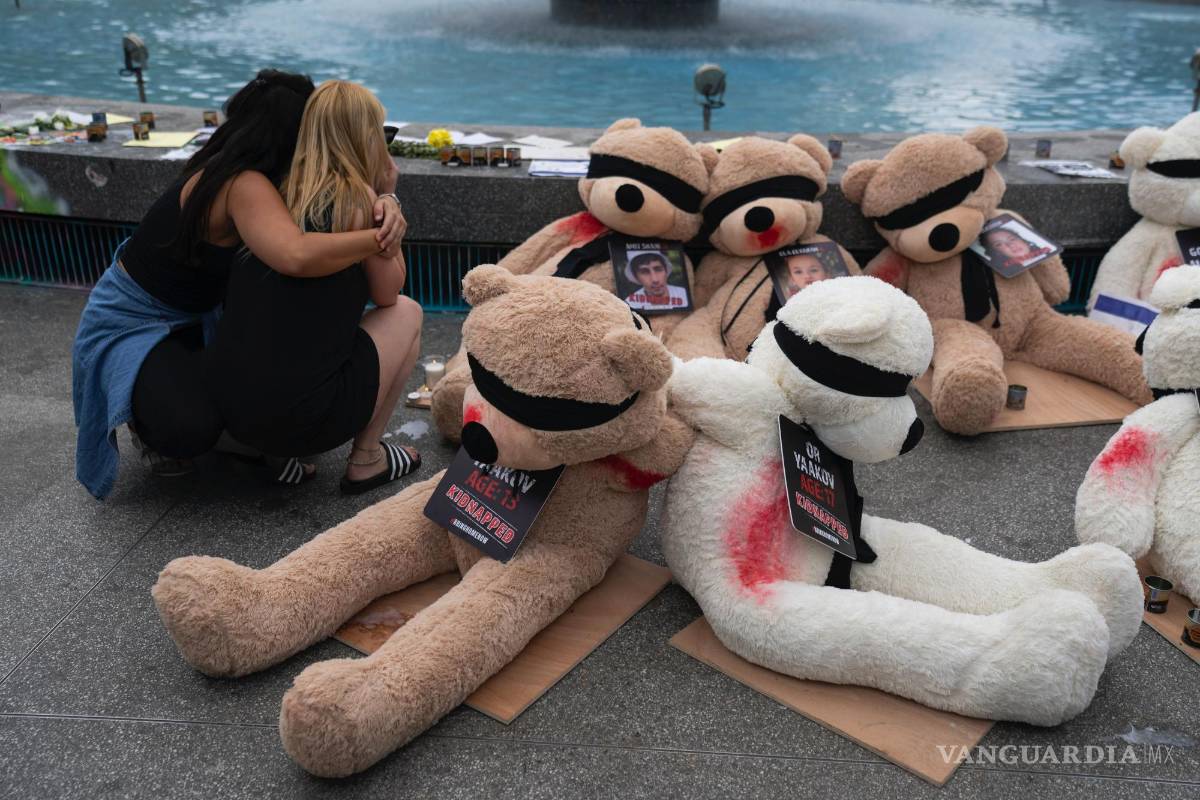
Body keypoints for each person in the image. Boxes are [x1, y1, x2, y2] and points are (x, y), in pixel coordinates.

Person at [72, 69, 405, 500]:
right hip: (137, 319)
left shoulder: (254, 173)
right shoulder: (242, 183)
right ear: (288, 134)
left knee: (232, 394)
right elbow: (296, 254)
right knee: (189, 424)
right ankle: (148, 424)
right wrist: (382, 234)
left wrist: (385, 199)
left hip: (195, 316)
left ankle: (243, 440)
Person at [207, 80, 423, 496]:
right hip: (303, 422)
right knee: (408, 314)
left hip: (233, 411)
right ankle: (367, 459)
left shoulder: (271, 190)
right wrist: (387, 194)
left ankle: (275, 455)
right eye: (382, 133)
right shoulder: (357, 199)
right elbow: (388, 294)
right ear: (365, 138)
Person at [623, 251, 688, 310]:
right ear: (636, 277)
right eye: (645, 272)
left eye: (658, 269)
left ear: (666, 271)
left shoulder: (684, 295)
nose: (655, 280)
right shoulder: (630, 304)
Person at [984, 227, 1053, 270]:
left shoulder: (1050, 255)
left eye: (1012, 239)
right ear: (996, 252)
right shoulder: (1005, 271)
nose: (1010, 244)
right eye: (999, 244)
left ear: (1023, 240)